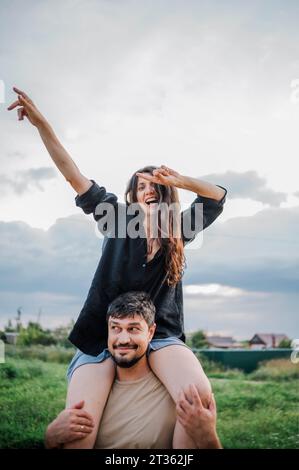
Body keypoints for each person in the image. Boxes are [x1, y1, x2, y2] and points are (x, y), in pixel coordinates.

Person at [8, 87, 227, 448]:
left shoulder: (179, 231)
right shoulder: (116, 219)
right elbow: (71, 172)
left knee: (197, 399)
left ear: (166, 191)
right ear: (134, 197)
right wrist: (41, 123)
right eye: (141, 186)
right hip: (101, 334)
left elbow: (217, 197)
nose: (149, 189)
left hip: (160, 335)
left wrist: (180, 179)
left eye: (155, 184)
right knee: (80, 423)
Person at [45, 291, 222, 449]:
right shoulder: (90, 391)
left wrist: (208, 438)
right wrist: (51, 438)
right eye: (115, 328)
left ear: (151, 332)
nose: (123, 339)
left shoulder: (175, 391)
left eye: (133, 329)